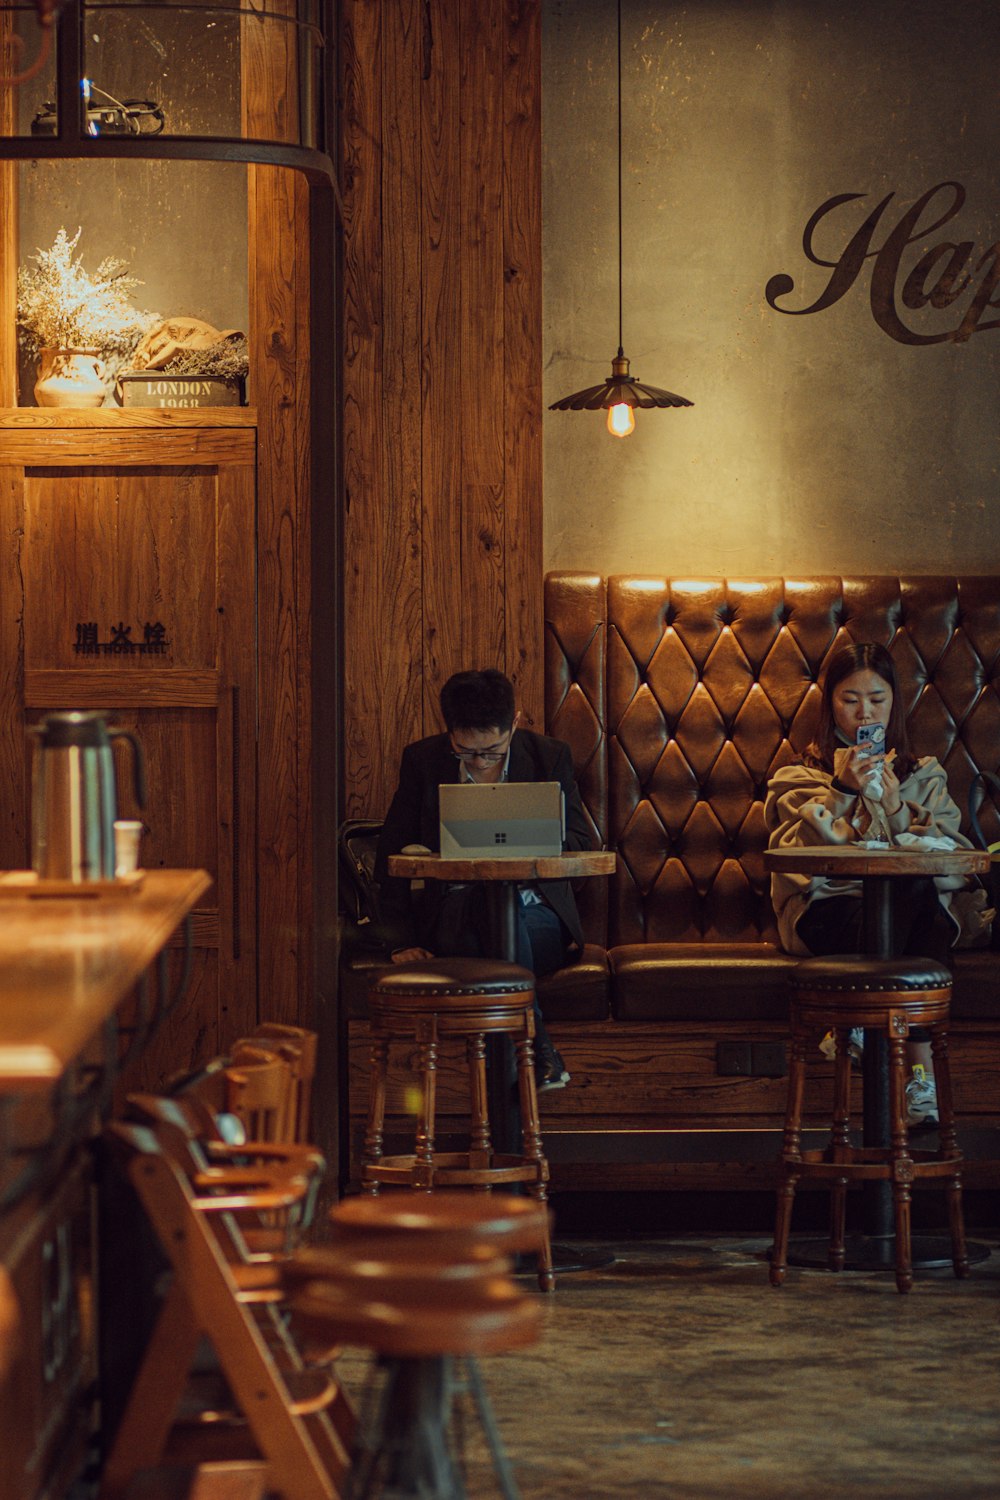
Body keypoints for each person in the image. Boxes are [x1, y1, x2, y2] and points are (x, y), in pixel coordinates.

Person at [764, 641, 978, 1128]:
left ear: (894, 703)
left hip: (909, 908)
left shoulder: (924, 775)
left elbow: (952, 864)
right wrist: (840, 791)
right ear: (829, 704)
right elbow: (794, 867)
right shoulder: (797, 776)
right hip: (827, 914)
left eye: (877, 699)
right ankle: (914, 1073)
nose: (864, 712)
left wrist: (898, 806)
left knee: (915, 887)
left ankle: (858, 1023)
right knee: (918, 905)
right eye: (850, 699)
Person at [375, 668, 592, 1091]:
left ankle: (521, 1063)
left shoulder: (549, 756)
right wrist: (399, 940)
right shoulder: (423, 760)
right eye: (466, 752)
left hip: (538, 921)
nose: (479, 762)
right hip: (451, 917)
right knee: (481, 904)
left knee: (500, 907)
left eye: (492, 751)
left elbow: (580, 839)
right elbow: (392, 851)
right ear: (449, 732)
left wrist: (538, 830)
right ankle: (535, 1048)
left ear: (514, 723)